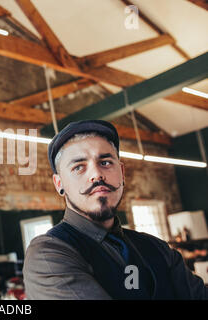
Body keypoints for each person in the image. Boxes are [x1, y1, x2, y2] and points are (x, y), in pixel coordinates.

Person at [23, 119, 207, 300]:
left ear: (122, 173)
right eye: (79, 167)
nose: (96, 175)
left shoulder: (157, 248)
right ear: (59, 184)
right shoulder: (49, 255)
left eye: (105, 162)